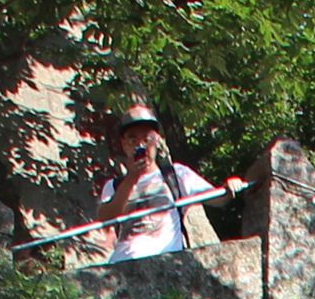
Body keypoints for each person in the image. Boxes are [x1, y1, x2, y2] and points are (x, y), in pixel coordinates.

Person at [79, 109, 218, 264]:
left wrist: (231, 186)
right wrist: (132, 178)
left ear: (157, 140)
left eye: (147, 139)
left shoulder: (177, 174)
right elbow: (105, 219)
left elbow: (219, 199)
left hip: (168, 262)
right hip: (124, 265)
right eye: (133, 140)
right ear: (123, 144)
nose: (141, 146)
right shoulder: (114, 185)